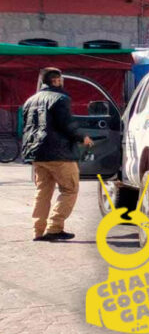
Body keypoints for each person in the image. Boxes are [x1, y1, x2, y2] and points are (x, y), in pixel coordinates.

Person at [21, 67, 93, 241]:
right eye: (60, 79)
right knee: (70, 189)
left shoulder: (30, 100)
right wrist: (82, 137)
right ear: (56, 80)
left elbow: (27, 127)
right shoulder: (60, 98)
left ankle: (38, 231)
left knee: (43, 191)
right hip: (59, 154)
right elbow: (66, 124)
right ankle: (54, 227)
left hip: (37, 153)